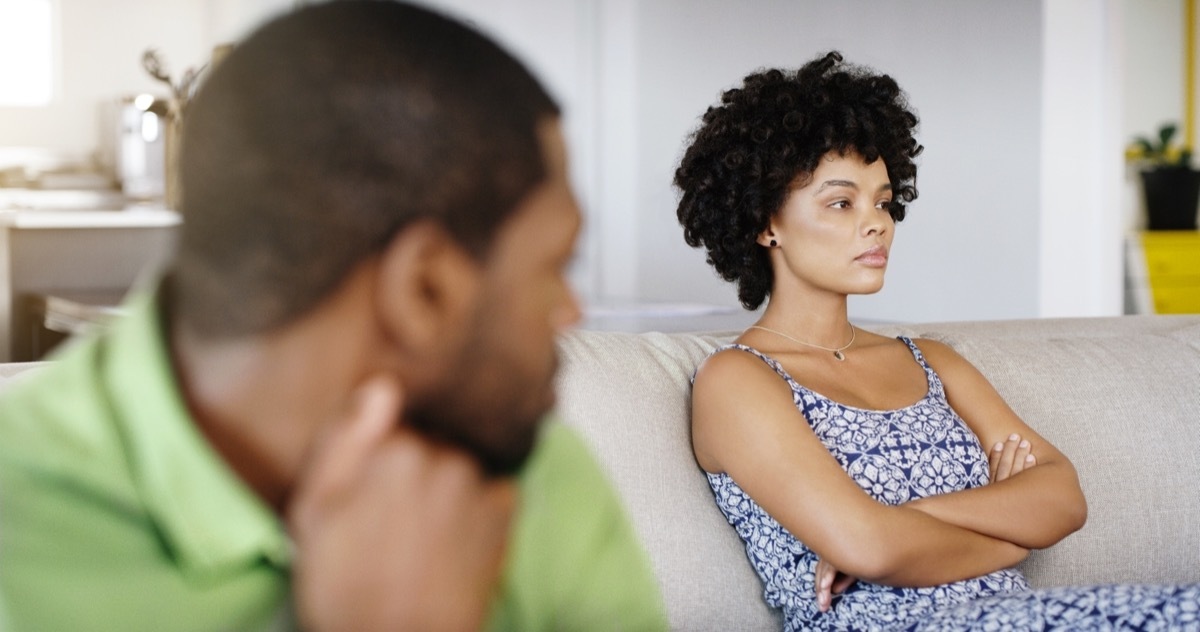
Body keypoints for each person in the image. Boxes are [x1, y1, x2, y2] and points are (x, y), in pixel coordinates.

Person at [0, 2, 668, 630]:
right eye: (554, 266)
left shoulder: (531, 462)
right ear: (423, 287)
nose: (571, 312)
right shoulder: (20, 535)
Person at [674, 50, 1200, 631]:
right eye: (841, 202)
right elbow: (869, 547)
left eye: (882, 200)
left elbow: (1062, 500)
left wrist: (917, 516)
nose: (876, 222)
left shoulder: (932, 360)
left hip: (1015, 615)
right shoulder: (738, 379)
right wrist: (1012, 542)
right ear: (765, 222)